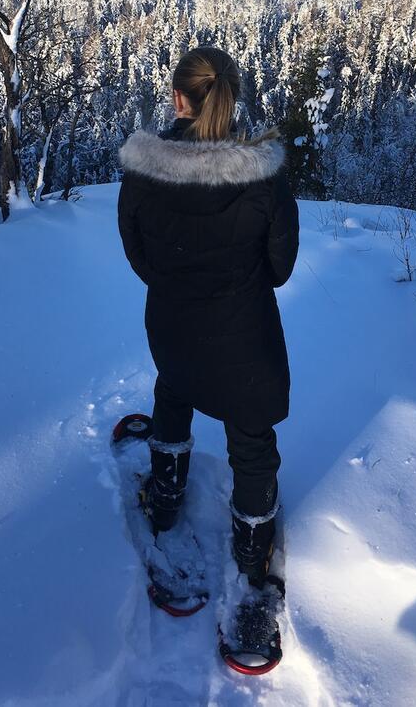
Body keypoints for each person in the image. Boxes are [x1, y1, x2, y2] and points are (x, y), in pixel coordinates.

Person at [117, 46, 299, 588]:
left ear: (178, 99)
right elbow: (281, 267)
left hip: (172, 330)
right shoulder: (263, 177)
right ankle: (252, 555)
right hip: (245, 344)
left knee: (173, 391)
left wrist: (178, 287)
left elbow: (138, 254)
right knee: (251, 438)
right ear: (230, 98)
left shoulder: (145, 173)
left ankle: (166, 498)